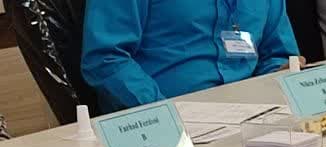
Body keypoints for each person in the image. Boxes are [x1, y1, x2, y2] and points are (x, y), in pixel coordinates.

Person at [81, 0, 300, 112]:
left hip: (253, 121)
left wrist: (279, 82)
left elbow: (278, 55)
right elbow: (106, 59)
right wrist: (165, 115)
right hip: (163, 125)